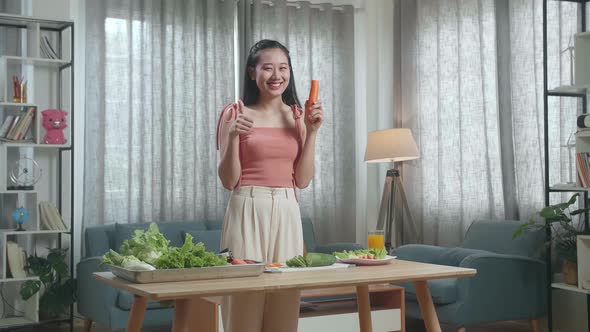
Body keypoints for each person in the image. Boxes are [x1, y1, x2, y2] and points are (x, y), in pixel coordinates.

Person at [216, 39, 324, 332]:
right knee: (244, 305)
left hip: (288, 210)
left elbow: (302, 180)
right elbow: (228, 181)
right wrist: (234, 137)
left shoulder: (298, 116)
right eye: (267, 68)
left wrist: (312, 134)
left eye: (283, 68)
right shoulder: (235, 112)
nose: (276, 76)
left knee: (285, 303)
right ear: (252, 72)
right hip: (247, 207)